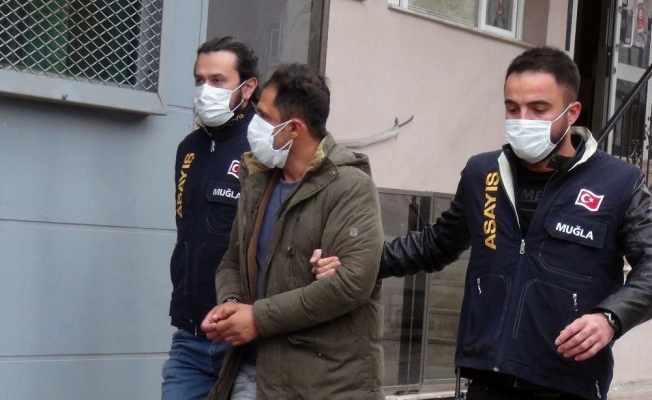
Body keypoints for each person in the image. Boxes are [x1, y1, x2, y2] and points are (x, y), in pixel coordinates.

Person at [312, 46, 652, 400]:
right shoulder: (483, 173)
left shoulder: (619, 183)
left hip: (568, 384)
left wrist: (610, 317)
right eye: (512, 108)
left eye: (538, 109)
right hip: (486, 380)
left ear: (572, 112)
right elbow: (434, 245)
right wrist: (357, 263)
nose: (522, 119)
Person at [200, 63, 385, 400]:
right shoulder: (259, 180)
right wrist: (230, 306)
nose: (253, 124)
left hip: (323, 386)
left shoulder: (350, 186)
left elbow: (350, 284)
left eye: (264, 117)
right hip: (252, 375)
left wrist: (258, 318)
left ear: (294, 129)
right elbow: (233, 260)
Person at [161, 36, 259, 400]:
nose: (206, 90)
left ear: (247, 87)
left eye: (218, 80)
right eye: (199, 80)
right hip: (192, 337)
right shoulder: (189, 148)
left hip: (249, 342)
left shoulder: (264, 148)